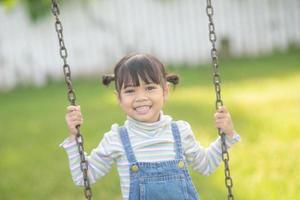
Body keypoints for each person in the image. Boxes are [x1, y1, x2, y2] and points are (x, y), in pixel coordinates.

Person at [60, 52, 240, 200]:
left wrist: (227, 135)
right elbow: (84, 177)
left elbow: (205, 165)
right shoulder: (117, 138)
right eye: (130, 91)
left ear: (165, 91)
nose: (141, 98)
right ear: (119, 98)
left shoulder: (180, 131)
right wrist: (73, 137)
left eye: (150, 88)